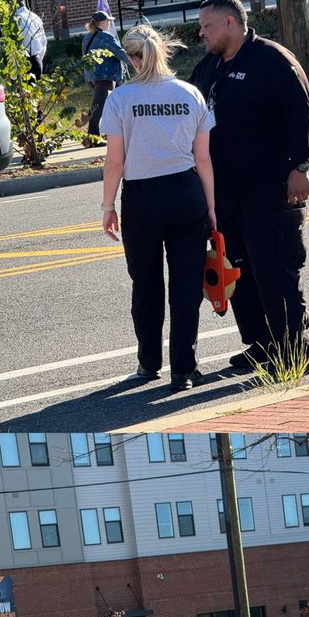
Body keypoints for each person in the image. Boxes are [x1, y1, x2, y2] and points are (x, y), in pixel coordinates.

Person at [189, 0, 309, 375]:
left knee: (275, 267)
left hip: (271, 188)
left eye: (207, 25)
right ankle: (262, 346)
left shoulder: (272, 60)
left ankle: (298, 349)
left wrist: (300, 166)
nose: (202, 33)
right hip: (226, 191)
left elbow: (302, 114)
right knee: (239, 272)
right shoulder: (209, 68)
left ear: (230, 22)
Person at [99, 23, 216, 391]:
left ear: (132, 59)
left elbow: (114, 162)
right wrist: (211, 207)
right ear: (163, 52)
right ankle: (183, 368)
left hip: (142, 198)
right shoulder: (190, 94)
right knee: (185, 286)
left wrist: (108, 206)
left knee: (146, 284)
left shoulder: (120, 99)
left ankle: (149, 363)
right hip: (186, 193)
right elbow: (204, 161)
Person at [83, 10, 130, 140]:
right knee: (98, 107)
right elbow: (119, 53)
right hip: (106, 75)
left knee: (106, 106)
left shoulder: (87, 37)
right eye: (108, 21)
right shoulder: (106, 37)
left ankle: (108, 132)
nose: (110, 24)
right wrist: (137, 62)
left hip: (92, 76)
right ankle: (93, 137)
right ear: (103, 22)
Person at [13, 0, 47, 78]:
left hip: (23, 64)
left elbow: (13, 46)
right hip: (37, 61)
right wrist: (39, 60)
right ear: (24, 1)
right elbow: (44, 42)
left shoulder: (15, 19)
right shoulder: (35, 17)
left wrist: (13, 75)